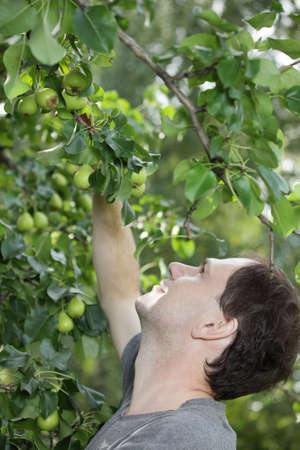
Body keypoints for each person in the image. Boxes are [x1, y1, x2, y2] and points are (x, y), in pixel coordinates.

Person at [86, 194, 300, 450]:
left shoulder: (186, 438)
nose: (175, 267)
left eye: (201, 274)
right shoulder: (152, 392)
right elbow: (120, 293)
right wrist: (109, 176)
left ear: (214, 326)